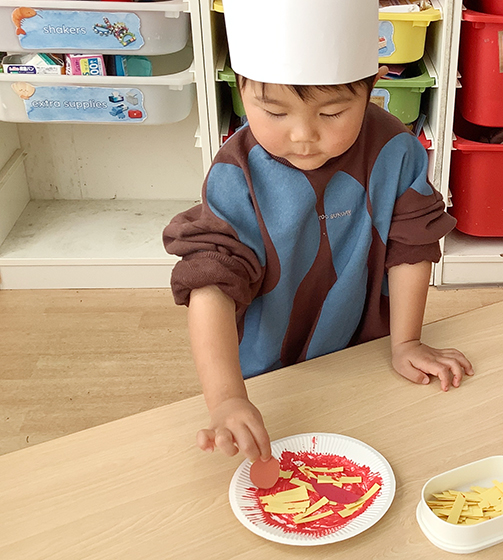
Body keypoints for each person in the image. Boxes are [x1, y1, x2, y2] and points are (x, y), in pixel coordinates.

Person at [162, 0, 473, 465]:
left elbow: (411, 246)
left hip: (362, 355)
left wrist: (406, 342)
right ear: (240, 90)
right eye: (274, 112)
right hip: (268, 374)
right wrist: (226, 398)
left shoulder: (396, 150)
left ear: (372, 87)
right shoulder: (236, 175)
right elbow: (211, 283)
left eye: (331, 113)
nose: (303, 135)